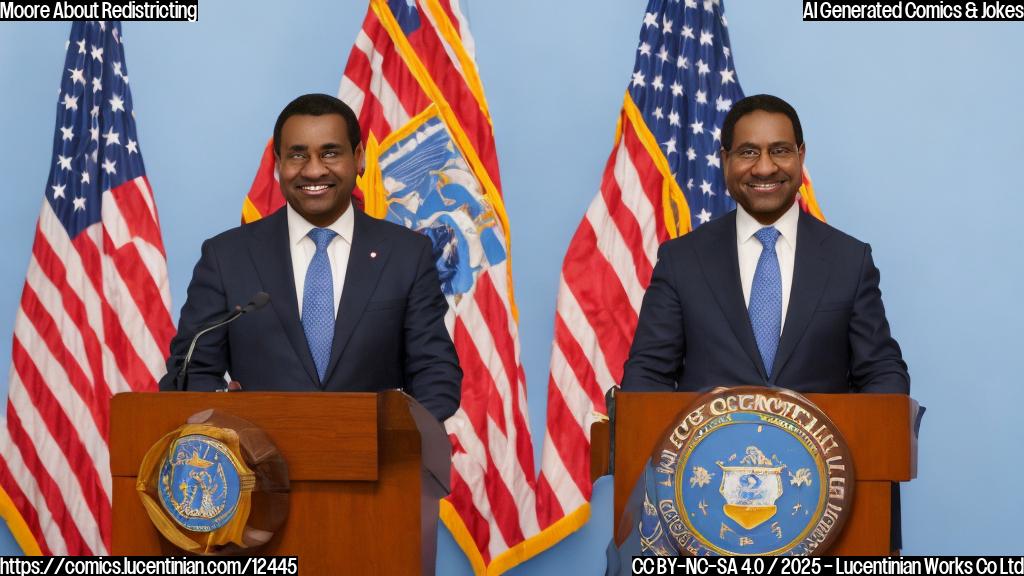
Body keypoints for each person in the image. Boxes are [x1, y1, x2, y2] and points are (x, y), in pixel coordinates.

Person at [159, 93, 461, 422]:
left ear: (358, 158)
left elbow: (436, 373)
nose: (314, 170)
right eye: (297, 155)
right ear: (278, 164)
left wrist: (393, 437)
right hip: (256, 463)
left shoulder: (406, 254)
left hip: (378, 463)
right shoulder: (226, 257)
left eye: (330, 153)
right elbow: (190, 372)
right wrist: (230, 418)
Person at [621, 94, 909, 394]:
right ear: (725, 160)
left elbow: (882, 373)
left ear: (801, 155)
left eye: (780, 151)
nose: (765, 168)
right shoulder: (681, 260)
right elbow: (648, 375)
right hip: (710, 441)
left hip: (818, 441)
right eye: (748, 153)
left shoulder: (850, 261)